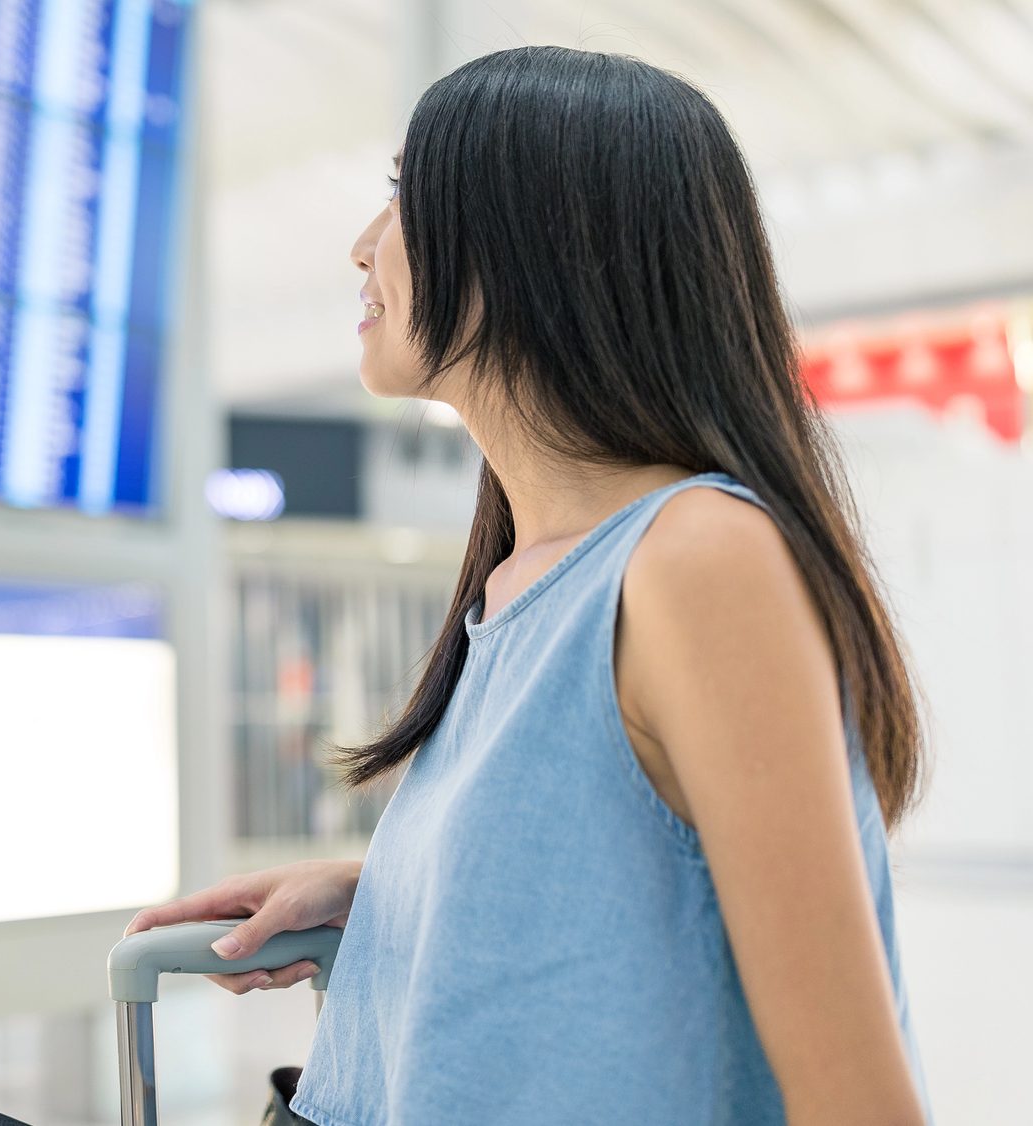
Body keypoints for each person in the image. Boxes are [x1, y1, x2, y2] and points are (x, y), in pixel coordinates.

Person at [128, 46, 930, 1125]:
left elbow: (855, 1098)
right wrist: (386, 898)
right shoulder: (514, 583)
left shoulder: (696, 558)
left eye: (404, 197)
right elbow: (614, 901)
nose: (360, 246)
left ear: (531, 238)